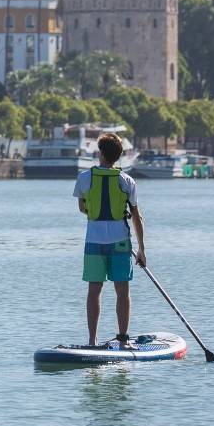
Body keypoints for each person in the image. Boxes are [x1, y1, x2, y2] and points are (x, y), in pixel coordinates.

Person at [74, 132, 146, 348]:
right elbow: (136, 216)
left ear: (100, 154)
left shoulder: (84, 178)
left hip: (94, 241)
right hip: (120, 241)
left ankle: (92, 340)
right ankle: (123, 340)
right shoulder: (127, 180)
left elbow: (82, 208)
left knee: (94, 289)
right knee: (122, 290)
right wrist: (142, 249)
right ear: (118, 156)